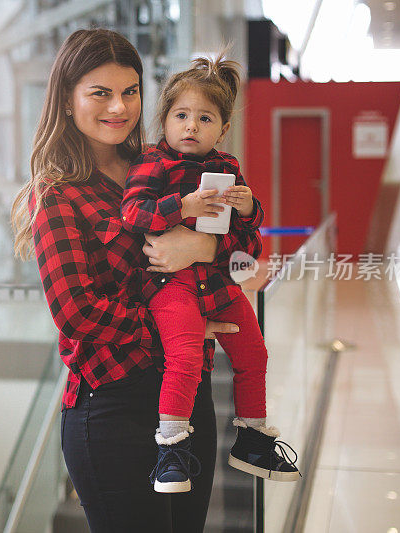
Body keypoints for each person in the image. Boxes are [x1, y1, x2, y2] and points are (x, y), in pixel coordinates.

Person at [11, 29, 260, 533]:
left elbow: (248, 249)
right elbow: (79, 315)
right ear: (67, 98)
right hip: (112, 407)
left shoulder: (168, 163)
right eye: (100, 93)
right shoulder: (57, 196)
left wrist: (205, 246)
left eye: (130, 91)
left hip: (189, 397)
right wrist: (174, 325)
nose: (119, 107)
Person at [120, 55, 300, 494]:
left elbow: (249, 237)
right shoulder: (153, 163)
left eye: (205, 118)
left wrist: (247, 208)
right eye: (181, 115)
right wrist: (180, 208)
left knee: (254, 354)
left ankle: (252, 440)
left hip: (217, 284)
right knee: (183, 361)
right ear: (164, 120)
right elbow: (132, 212)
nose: (191, 126)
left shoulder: (228, 167)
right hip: (171, 285)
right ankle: (171, 450)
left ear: (222, 129)